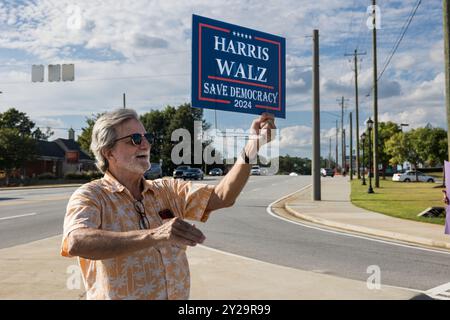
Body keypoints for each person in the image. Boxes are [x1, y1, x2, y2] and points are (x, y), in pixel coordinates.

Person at [60, 108, 275, 300]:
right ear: (109, 152)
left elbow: (223, 196)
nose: (145, 144)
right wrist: (156, 234)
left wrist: (252, 146)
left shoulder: (167, 190)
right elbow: (77, 241)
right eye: (134, 139)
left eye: (147, 137)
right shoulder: (92, 195)